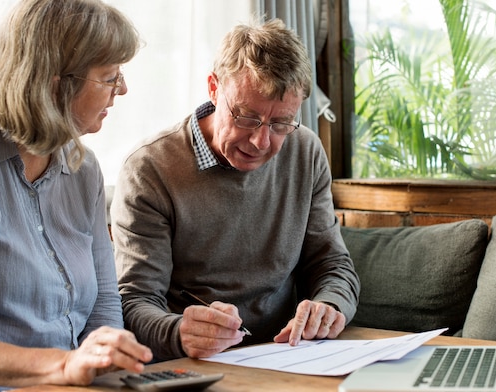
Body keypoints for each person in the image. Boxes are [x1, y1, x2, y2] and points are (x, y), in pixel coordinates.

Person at [0, 0, 153, 390]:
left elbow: (103, 308)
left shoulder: (84, 169)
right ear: (54, 82)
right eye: (110, 76)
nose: (123, 89)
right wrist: (65, 365)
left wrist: (107, 359)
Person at [111, 18, 360, 361]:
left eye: (280, 123)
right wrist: (178, 332)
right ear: (214, 88)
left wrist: (330, 306)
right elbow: (135, 301)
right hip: (192, 362)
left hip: (289, 355)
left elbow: (332, 264)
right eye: (246, 116)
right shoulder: (150, 169)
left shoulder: (305, 151)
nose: (261, 141)